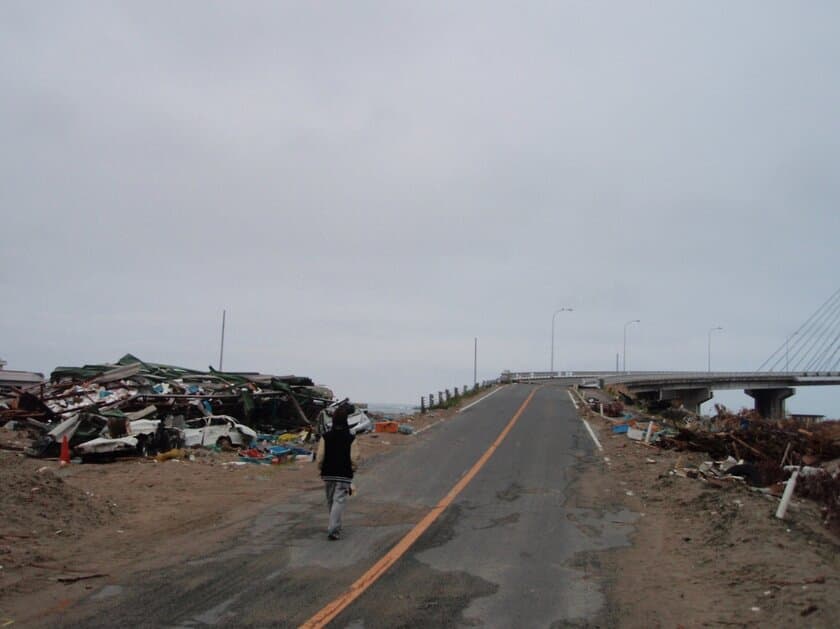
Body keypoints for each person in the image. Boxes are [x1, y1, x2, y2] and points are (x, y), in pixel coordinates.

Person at [316, 402, 360, 540]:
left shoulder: (326, 437)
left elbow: (320, 456)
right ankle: (333, 528)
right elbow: (355, 458)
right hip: (343, 474)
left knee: (331, 500)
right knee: (338, 500)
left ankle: (335, 526)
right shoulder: (351, 438)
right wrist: (352, 469)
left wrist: (321, 468)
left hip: (328, 473)